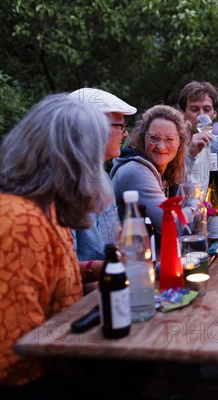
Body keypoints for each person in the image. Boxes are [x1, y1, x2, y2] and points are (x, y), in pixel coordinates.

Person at [0, 94, 111, 399]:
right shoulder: (17, 219)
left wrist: (92, 270)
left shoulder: (40, 203)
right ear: (75, 160)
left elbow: (39, 277)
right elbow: (12, 358)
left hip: (50, 351)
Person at [68, 88, 137, 287]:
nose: (125, 133)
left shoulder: (103, 177)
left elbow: (112, 245)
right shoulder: (64, 186)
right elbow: (61, 269)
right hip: (79, 306)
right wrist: (103, 270)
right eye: (120, 125)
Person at [110, 105, 189, 237]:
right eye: (154, 138)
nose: (161, 146)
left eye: (169, 139)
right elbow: (171, 225)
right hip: (131, 254)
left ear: (179, 142)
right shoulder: (135, 171)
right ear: (143, 138)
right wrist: (196, 206)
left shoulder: (173, 167)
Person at [178, 81, 218, 191]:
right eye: (194, 109)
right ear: (182, 112)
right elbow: (172, 185)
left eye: (207, 109)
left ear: (215, 113)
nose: (201, 115)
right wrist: (190, 155)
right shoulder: (172, 145)